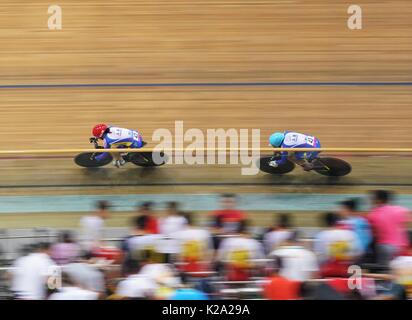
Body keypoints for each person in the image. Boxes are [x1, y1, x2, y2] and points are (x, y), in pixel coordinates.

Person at [367, 190, 410, 268]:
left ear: (378, 200)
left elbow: (373, 233)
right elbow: (405, 224)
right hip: (401, 246)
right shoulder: (400, 210)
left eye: (372, 199)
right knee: (399, 270)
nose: (371, 201)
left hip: (384, 247)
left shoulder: (373, 214)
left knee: (385, 270)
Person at [313, 212, 361, 277]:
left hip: (329, 272)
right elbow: (358, 253)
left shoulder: (322, 235)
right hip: (349, 271)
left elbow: (319, 257)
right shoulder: (351, 234)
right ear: (338, 222)